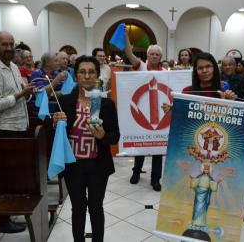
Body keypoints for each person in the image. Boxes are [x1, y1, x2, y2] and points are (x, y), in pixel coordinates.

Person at [52, 55, 120, 242]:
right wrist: (55, 124)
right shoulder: (65, 102)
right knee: (78, 207)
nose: (87, 76)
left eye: (91, 72)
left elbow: (115, 136)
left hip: (98, 164)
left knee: (96, 207)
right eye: (82, 72)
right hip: (73, 164)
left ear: (98, 75)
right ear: (76, 75)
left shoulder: (106, 103)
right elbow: (56, 137)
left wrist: (103, 136)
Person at [0, 31, 35, 233]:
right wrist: (21, 94)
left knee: (13, 176)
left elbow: (20, 96)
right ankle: (2, 221)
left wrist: (27, 93)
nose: (10, 48)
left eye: (12, 44)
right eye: (5, 44)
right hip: (1, 130)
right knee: (3, 179)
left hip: (18, 127)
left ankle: (10, 213)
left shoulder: (12, 66)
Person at [124, 28, 165, 191]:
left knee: (158, 147)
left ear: (160, 57)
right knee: (140, 142)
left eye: (157, 54)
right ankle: (136, 172)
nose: (154, 56)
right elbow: (128, 52)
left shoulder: (164, 72)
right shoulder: (140, 66)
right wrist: (126, 37)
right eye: (152, 54)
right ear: (147, 55)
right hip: (141, 109)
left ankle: (156, 178)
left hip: (158, 112)